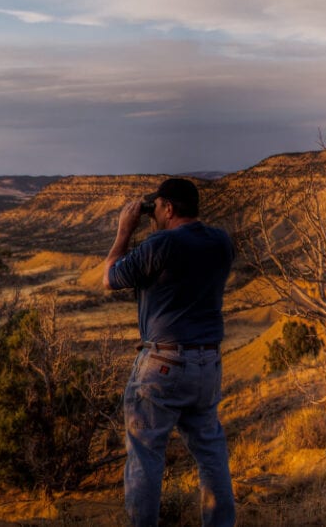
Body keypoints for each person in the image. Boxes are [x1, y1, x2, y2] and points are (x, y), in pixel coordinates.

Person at [102, 177, 236, 527]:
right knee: (211, 453)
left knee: (146, 455)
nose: (154, 213)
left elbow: (111, 278)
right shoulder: (221, 241)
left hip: (163, 364)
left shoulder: (160, 244)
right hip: (208, 362)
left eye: (157, 207)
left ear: (169, 208)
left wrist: (124, 232)